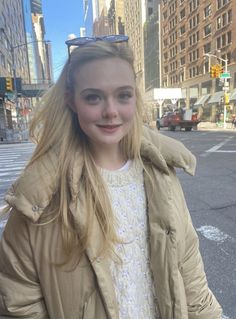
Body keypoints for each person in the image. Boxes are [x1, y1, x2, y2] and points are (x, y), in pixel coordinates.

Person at [0, 37, 222, 319]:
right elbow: (17, 305)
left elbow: (191, 277)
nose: (111, 111)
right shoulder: (39, 197)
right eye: (93, 97)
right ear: (72, 101)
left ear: (135, 98)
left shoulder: (161, 175)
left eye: (123, 95)